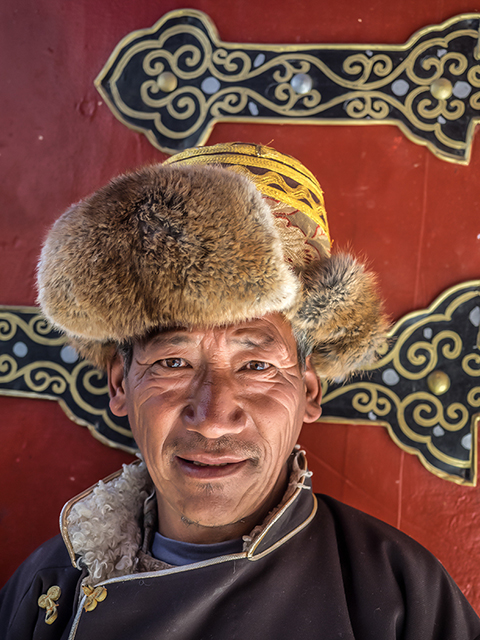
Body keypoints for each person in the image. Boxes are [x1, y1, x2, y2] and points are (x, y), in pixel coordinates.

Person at [1, 142, 479, 639]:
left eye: (255, 365)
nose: (212, 416)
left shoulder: (398, 598)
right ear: (120, 385)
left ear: (309, 389)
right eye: (172, 362)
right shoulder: (49, 589)